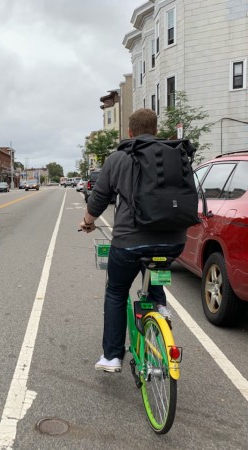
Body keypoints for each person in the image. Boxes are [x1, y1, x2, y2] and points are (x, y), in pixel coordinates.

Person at [79, 108, 188, 373]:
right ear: (157, 130)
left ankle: (112, 356)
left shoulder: (118, 158)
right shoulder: (177, 154)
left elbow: (99, 198)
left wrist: (88, 221)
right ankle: (160, 309)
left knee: (116, 291)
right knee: (155, 269)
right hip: (174, 241)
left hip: (130, 241)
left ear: (129, 132)